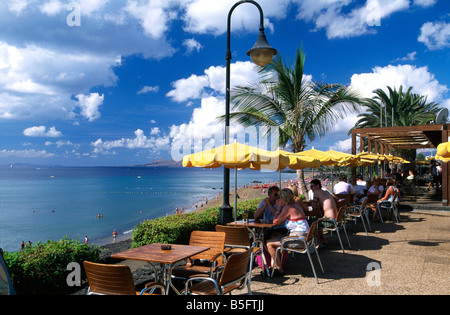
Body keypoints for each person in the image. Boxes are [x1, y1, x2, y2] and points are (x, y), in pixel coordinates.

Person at [266, 188, 310, 276]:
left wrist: (279, 208)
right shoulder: (295, 205)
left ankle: (279, 268)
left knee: (269, 243)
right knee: (274, 239)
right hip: (303, 237)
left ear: (283, 199)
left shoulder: (288, 208)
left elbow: (275, 221)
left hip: (298, 240)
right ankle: (275, 265)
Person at [310, 179, 338, 247]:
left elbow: (313, 207)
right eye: (310, 187)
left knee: (311, 223)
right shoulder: (326, 192)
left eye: (312, 186)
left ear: (317, 186)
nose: (311, 188)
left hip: (329, 222)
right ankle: (322, 240)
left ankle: (319, 242)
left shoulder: (316, 193)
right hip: (336, 220)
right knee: (317, 220)